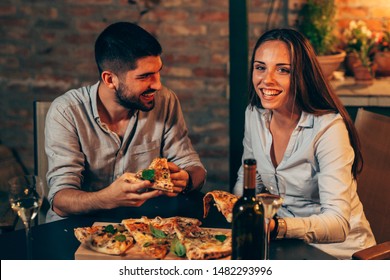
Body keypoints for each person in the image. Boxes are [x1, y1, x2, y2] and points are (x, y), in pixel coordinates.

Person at [233, 28, 376, 259]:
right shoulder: (254, 114)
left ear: (301, 74)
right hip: (286, 246)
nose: (266, 80)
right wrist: (237, 213)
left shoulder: (328, 129)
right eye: (260, 67)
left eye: (283, 70)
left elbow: (338, 223)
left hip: (337, 253)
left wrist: (278, 228)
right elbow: (249, 178)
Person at [45, 22, 206, 222]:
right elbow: (60, 200)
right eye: (145, 76)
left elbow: (193, 167)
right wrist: (107, 199)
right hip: (76, 227)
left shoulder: (165, 101)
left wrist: (187, 179)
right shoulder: (66, 111)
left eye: (158, 72)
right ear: (110, 79)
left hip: (142, 226)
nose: (157, 84)